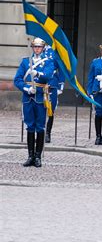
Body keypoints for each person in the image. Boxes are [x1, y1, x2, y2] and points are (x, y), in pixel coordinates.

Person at [14, 37, 54, 167]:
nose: (37, 49)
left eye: (39, 47)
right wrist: (26, 88)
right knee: (30, 126)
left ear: (43, 48)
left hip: (40, 97)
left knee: (40, 126)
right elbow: (17, 79)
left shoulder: (48, 62)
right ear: (32, 48)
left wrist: (37, 73)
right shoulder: (26, 62)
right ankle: (30, 156)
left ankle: (38, 157)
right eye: (35, 47)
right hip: (28, 97)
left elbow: (48, 76)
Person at [43, 45, 65, 143]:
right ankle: (40, 132)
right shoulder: (38, 50)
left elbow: (61, 68)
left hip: (53, 83)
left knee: (51, 110)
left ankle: (48, 133)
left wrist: (60, 85)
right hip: (41, 83)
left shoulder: (56, 51)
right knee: (39, 108)